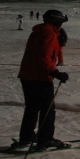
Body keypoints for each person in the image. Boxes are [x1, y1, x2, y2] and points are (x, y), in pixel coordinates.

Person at [15, 10, 70, 150]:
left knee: (32, 109)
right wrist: (55, 72)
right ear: (56, 22)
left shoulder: (38, 31)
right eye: (61, 23)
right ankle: (45, 140)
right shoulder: (49, 34)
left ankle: (26, 137)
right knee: (48, 110)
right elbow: (43, 57)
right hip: (40, 77)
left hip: (27, 75)